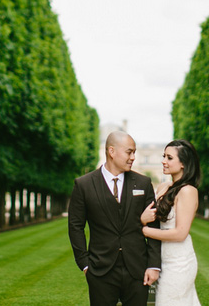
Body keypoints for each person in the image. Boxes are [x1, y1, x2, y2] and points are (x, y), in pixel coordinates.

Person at [68, 131, 161, 306]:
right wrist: (85, 264)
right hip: (100, 270)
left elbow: (155, 226)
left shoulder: (143, 183)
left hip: (138, 269)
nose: (133, 157)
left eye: (134, 152)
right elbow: (75, 226)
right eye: (129, 152)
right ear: (112, 151)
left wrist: (153, 265)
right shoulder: (84, 185)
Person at [140, 139, 201, 306]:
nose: (163, 161)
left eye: (169, 157)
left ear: (183, 163)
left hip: (179, 261)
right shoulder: (163, 187)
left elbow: (180, 233)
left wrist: (143, 230)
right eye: (163, 156)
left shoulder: (188, 191)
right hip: (162, 259)